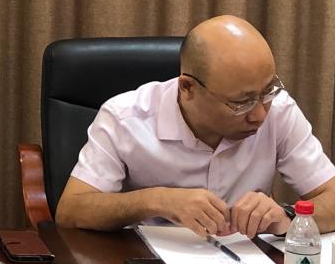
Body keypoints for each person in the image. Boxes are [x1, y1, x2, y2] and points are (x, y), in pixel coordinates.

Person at [56, 15, 335, 237]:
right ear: (188, 88)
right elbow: (71, 211)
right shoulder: (125, 117)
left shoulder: (280, 111)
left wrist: (286, 216)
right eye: (241, 102)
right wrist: (157, 200)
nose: (259, 115)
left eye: (268, 91)